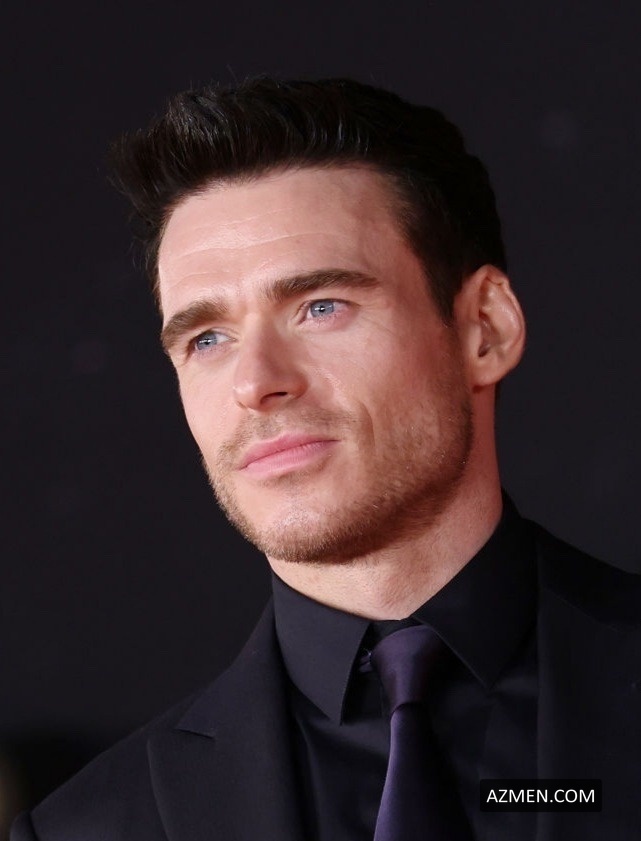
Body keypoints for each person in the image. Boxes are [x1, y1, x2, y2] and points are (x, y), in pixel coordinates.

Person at [11, 77, 641, 841]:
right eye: (207, 338)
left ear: (485, 329)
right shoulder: (85, 829)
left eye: (320, 307)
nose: (254, 382)